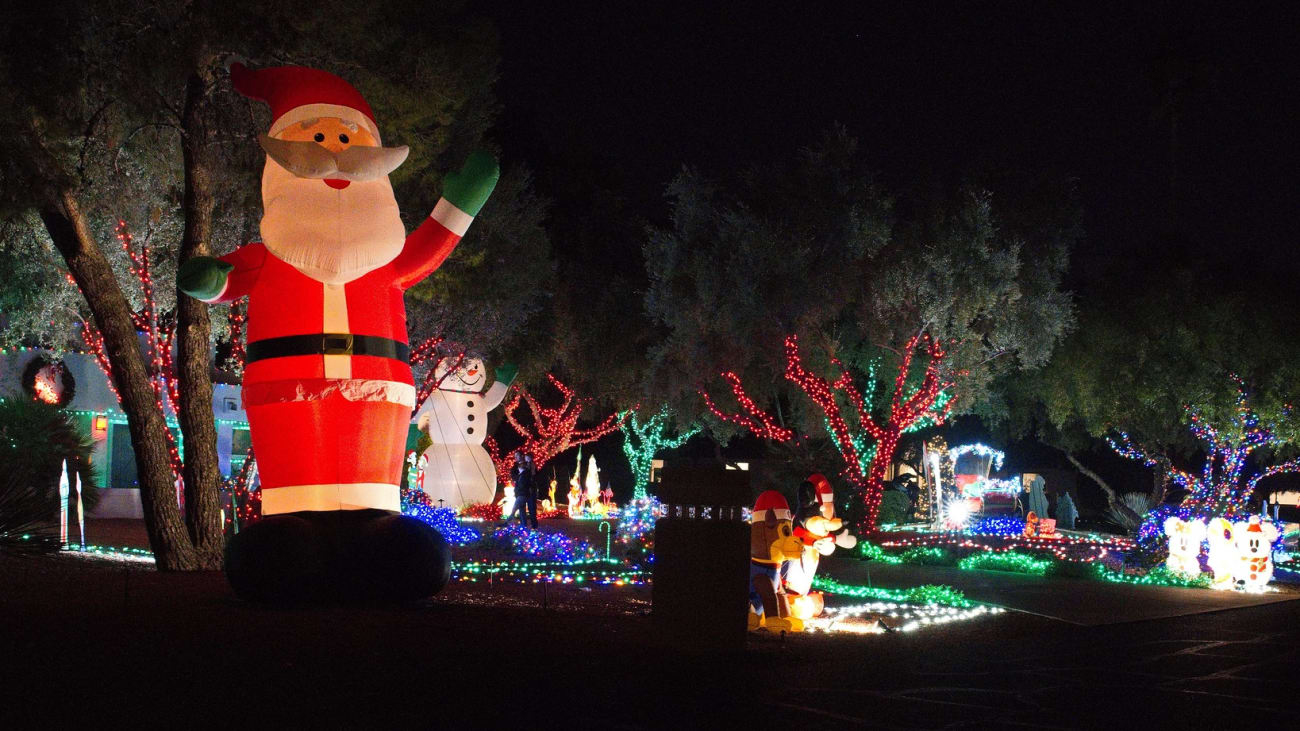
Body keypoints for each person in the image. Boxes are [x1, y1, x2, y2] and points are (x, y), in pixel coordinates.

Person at [508, 451, 538, 529]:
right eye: (515, 456)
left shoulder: (530, 464)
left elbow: (534, 475)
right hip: (521, 491)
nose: (515, 457)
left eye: (517, 456)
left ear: (522, 456)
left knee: (532, 509)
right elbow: (513, 476)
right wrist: (520, 476)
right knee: (521, 509)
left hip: (530, 490)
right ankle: (523, 527)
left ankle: (534, 527)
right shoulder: (515, 466)